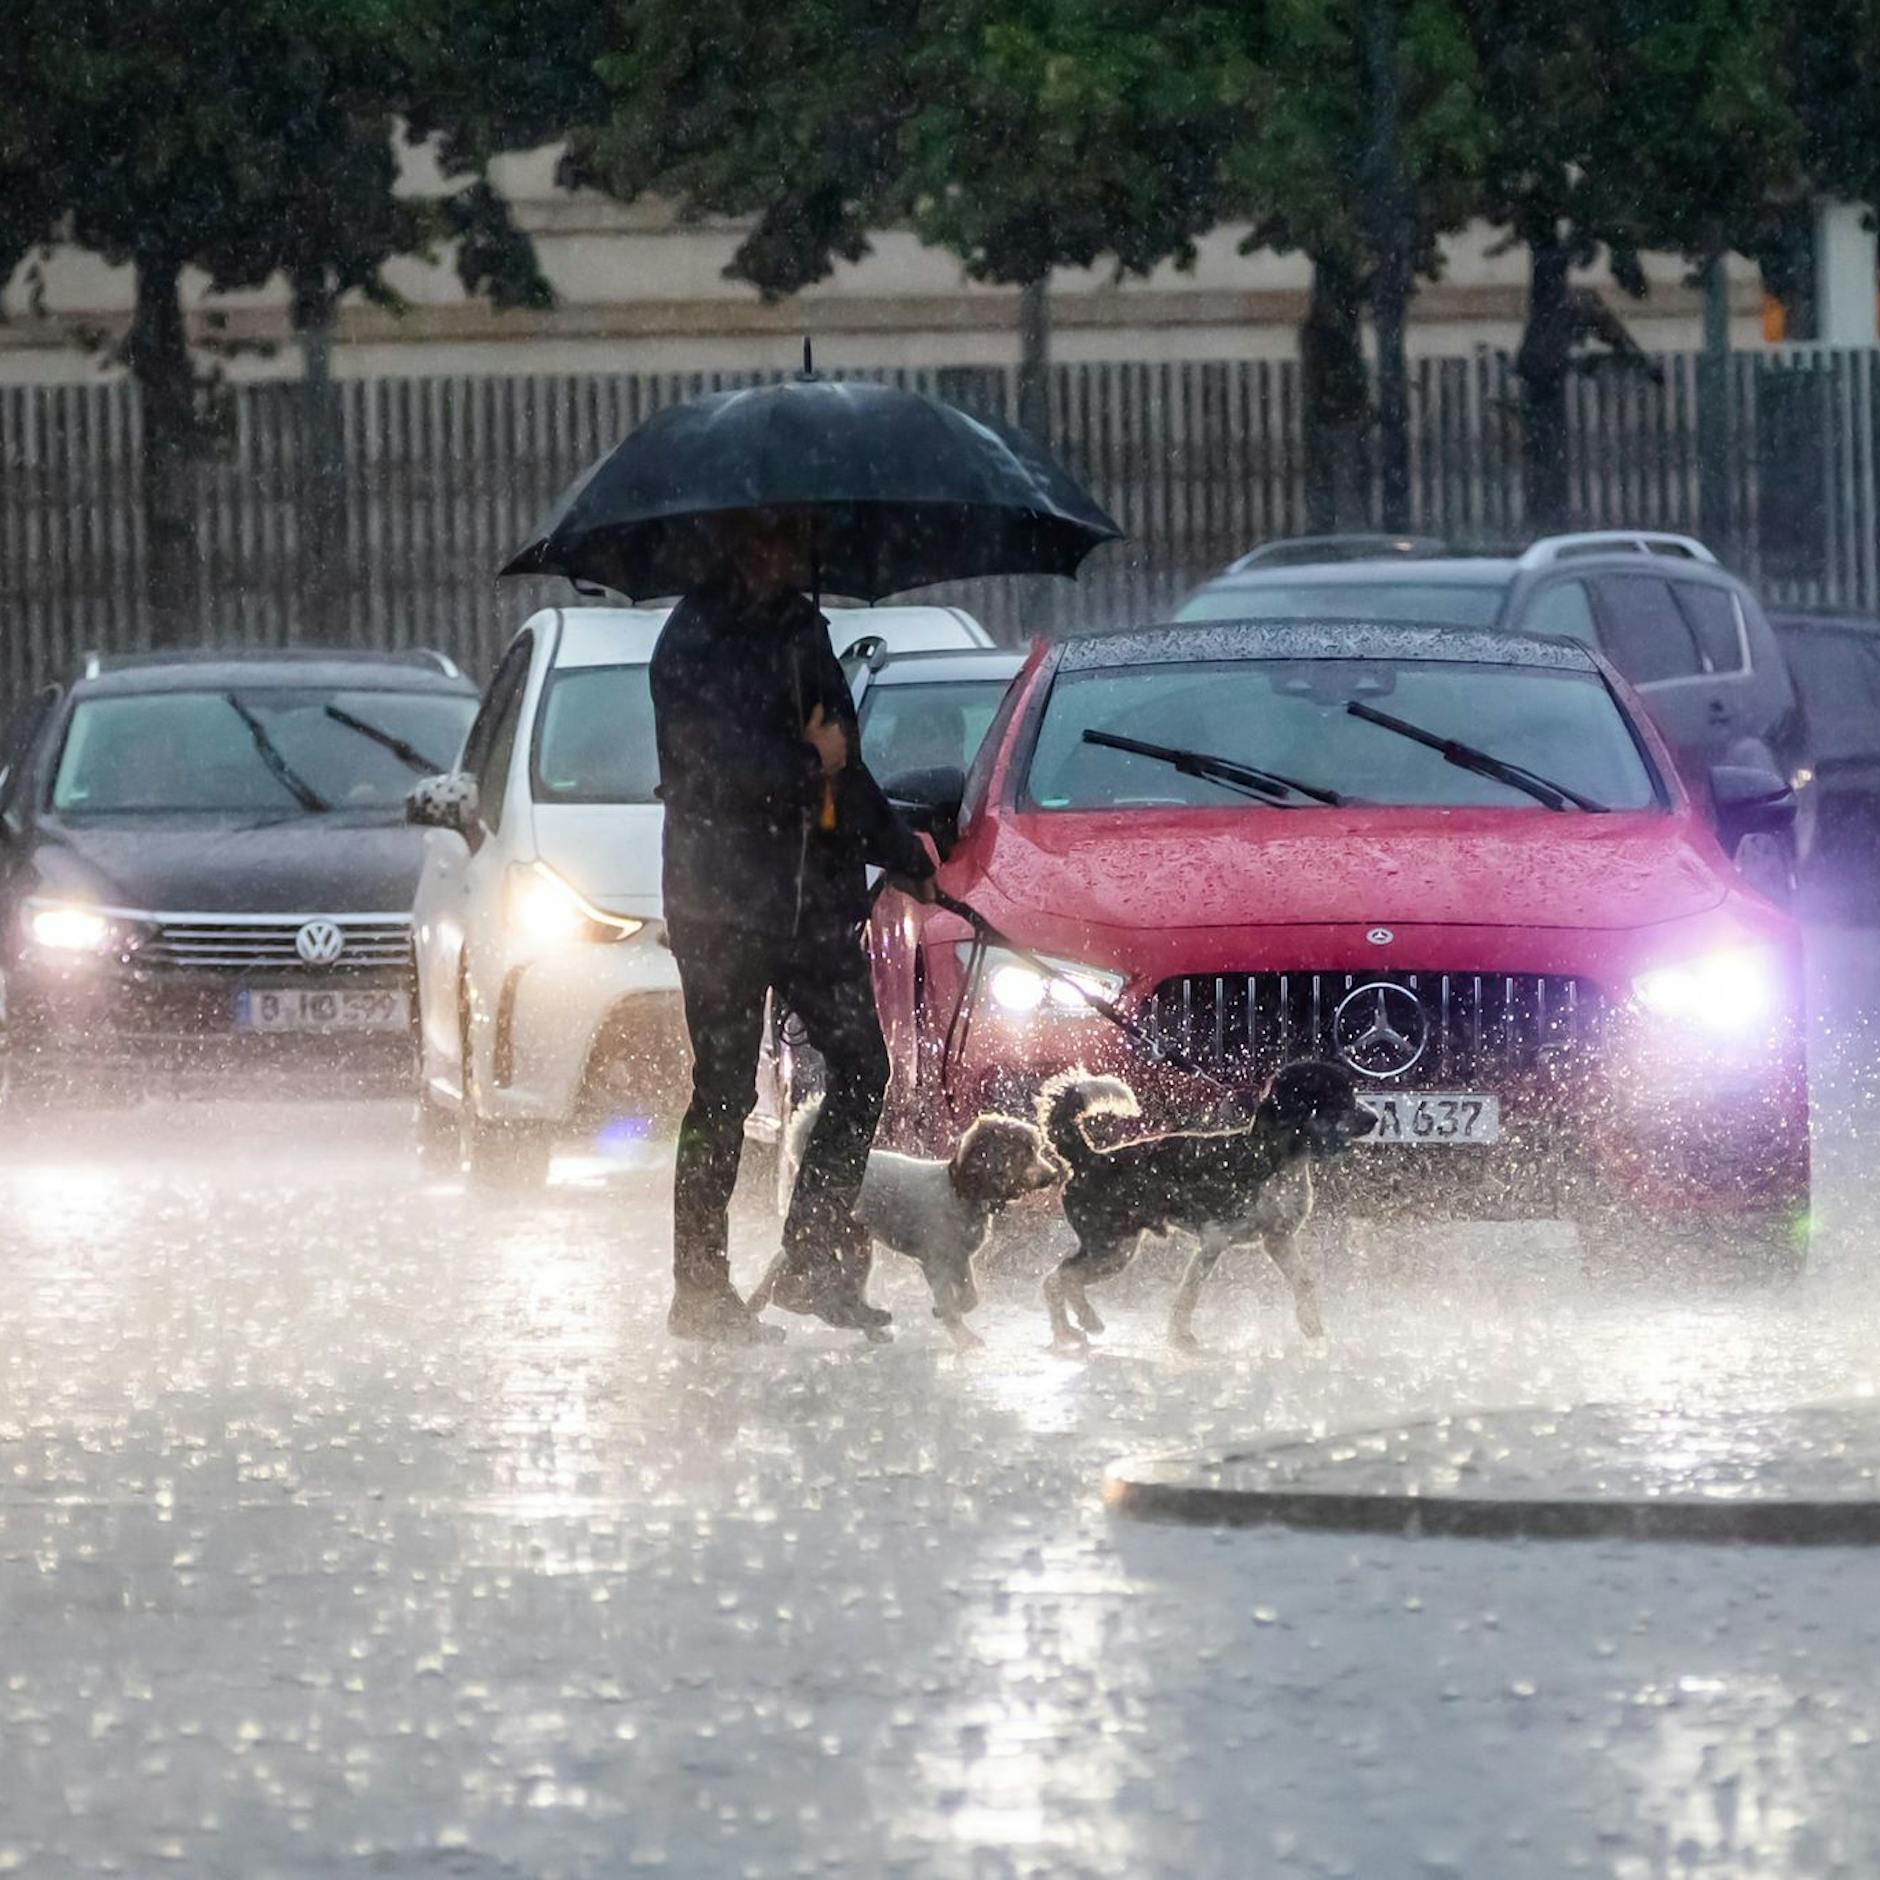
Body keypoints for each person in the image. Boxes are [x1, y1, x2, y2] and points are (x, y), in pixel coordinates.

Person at [651, 512, 936, 1344]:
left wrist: (900, 851)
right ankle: (699, 1290)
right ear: (730, 544)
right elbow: (716, 772)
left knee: (860, 1066)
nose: (781, 555)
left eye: (790, 541)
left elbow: (846, 764)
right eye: (765, 539)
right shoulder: (690, 642)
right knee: (724, 1091)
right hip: (722, 906)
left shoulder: (803, 629)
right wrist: (813, 762)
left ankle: (813, 1261)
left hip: (812, 902)